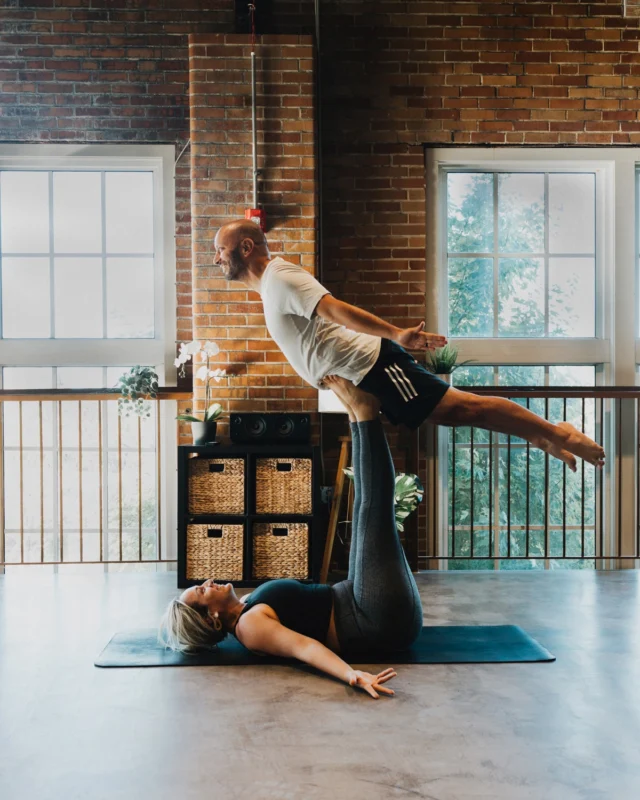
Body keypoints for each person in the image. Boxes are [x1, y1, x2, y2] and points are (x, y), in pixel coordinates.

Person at [212, 219, 605, 470]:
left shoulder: (280, 278)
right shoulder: (269, 288)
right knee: (455, 415)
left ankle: (557, 434)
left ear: (246, 248)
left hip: (374, 364)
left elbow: (334, 310)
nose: (216, 258)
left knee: (465, 407)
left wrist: (396, 334)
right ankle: (541, 436)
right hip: (362, 372)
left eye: (220, 250)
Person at [160, 378, 422, 699]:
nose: (209, 580)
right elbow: (304, 648)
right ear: (213, 620)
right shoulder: (250, 628)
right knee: (373, 506)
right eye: (202, 591)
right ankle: (364, 410)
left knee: (365, 502)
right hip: (374, 618)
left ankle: (356, 412)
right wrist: (351, 675)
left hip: (359, 599)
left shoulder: (245, 609)